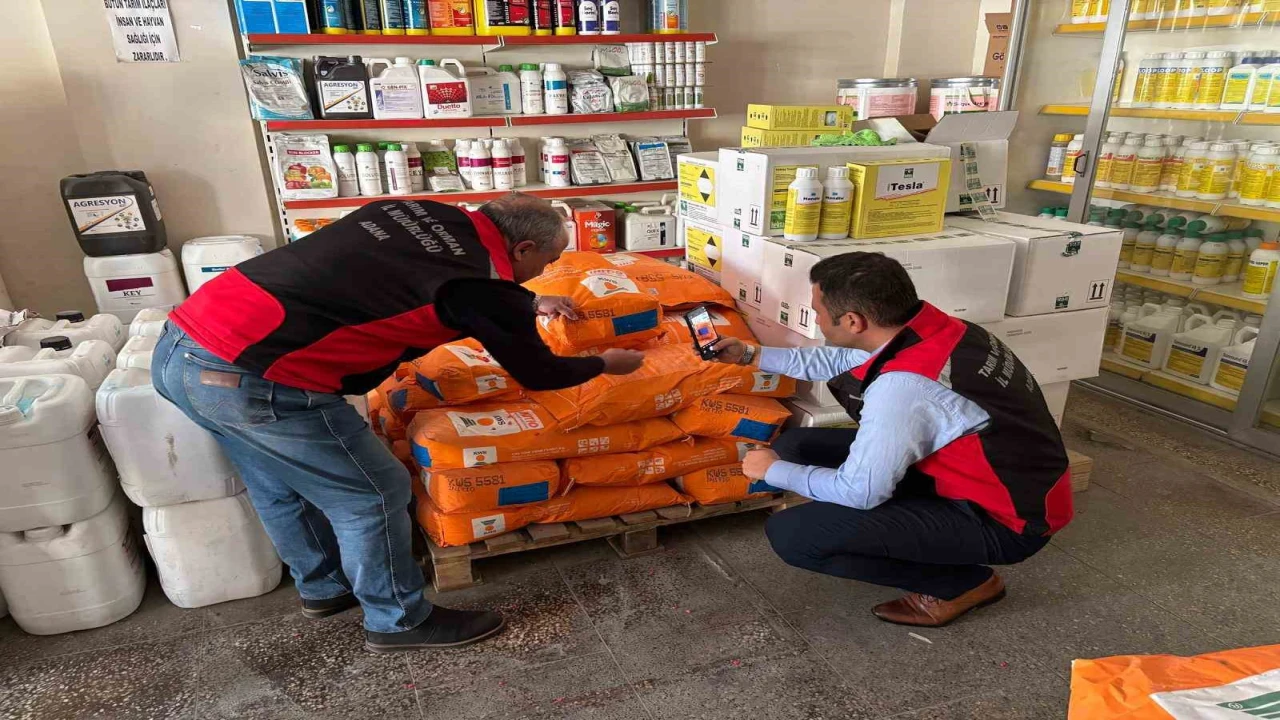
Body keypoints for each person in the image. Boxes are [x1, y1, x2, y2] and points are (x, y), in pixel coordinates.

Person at [151, 195, 645, 653]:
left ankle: (325, 588)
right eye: (548, 261)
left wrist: (527, 303)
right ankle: (398, 621)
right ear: (523, 248)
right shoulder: (480, 289)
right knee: (374, 491)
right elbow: (540, 372)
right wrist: (606, 363)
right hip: (254, 377)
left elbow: (406, 274)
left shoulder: (415, 211)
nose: (546, 271)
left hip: (185, 346)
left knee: (279, 484)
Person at [710, 252, 1072, 627]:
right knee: (796, 448)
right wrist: (750, 354)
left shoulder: (903, 387)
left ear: (853, 321)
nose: (816, 319)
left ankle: (964, 584)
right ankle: (898, 530)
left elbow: (861, 492)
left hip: (1006, 520)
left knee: (793, 535)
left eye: (817, 311)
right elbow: (837, 362)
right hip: (993, 477)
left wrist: (771, 471)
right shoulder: (941, 330)